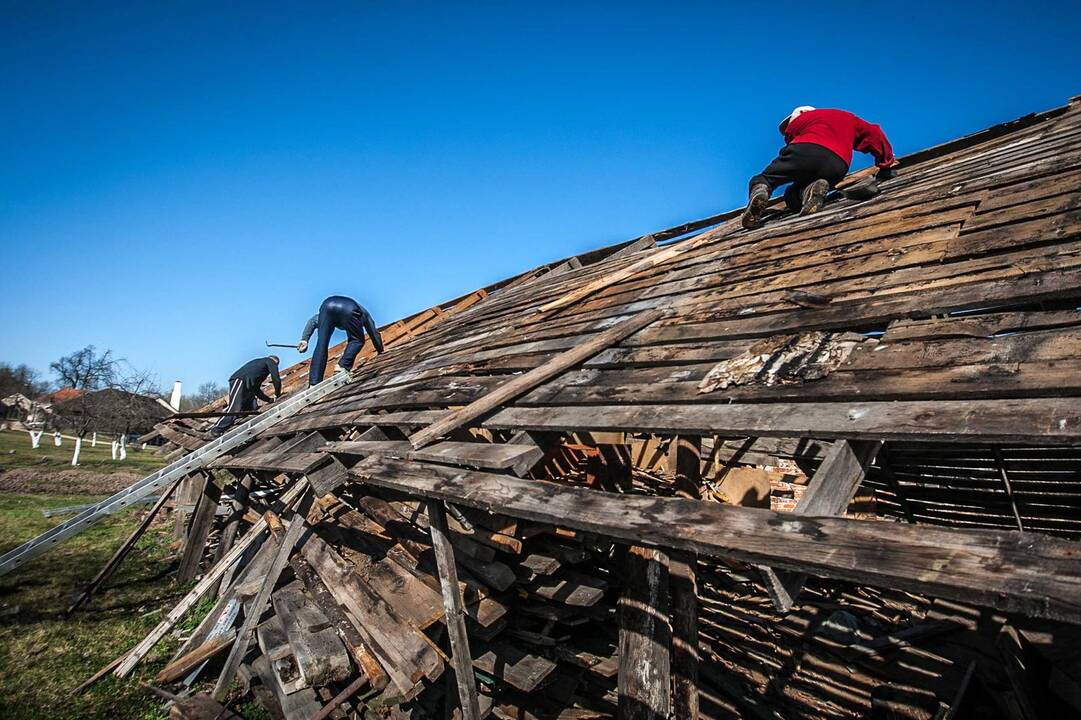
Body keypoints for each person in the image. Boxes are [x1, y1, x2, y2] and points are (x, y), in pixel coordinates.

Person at [741, 106, 896, 230]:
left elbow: (798, 157)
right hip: (838, 165)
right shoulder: (846, 117)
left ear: (803, 112)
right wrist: (885, 165)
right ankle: (811, 190)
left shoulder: (803, 119)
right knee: (795, 191)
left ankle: (761, 192)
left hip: (805, 151)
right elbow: (874, 133)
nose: (787, 131)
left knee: (765, 179)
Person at [298, 295, 384, 385]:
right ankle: (342, 365)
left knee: (321, 344)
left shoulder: (356, 317)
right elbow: (374, 333)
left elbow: (313, 321)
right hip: (348, 308)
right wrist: (380, 350)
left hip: (327, 305)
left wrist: (304, 340)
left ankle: (314, 382)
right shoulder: (364, 314)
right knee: (357, 340)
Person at [209, 356, 282, 436]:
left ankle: (237, 417)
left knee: (252, 407)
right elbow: (276, 378)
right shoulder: (269, 361)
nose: (275, 367)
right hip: (240, 380)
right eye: (276, 365)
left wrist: (269, 400)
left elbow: (256, 390)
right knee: (235, 407)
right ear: (275, 361)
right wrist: (277, 394)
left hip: (247, 386)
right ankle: (217, 429)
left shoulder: (259, 371)